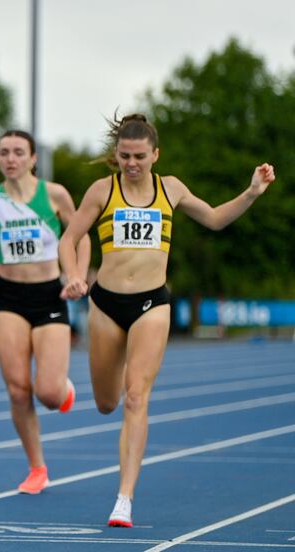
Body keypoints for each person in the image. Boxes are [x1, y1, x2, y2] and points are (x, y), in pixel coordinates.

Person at [58, 113, 276, 527]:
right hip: (106, 304)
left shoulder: (169, 188)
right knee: (107, 403)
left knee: (136, 396)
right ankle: (104, 372)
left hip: (152, 304)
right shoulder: (102, 191)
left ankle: (124, 498)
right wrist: (72, 274)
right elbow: (70, 238)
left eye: (139, 156)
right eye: (124, 156)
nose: (132, 163)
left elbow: (213, 218)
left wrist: (251, 193)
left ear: (155, 154)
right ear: (116, 155)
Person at [0, 129, 90, 495]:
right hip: (9, 297)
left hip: (49, 294)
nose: (10, 159)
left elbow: (80, 235)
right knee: (18, 391)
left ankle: (61, 389)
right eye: (4, 153)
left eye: (18, 152)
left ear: (32, 159)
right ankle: (37, 467)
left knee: (47, 394)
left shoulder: (55, 194)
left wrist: (76, 275)